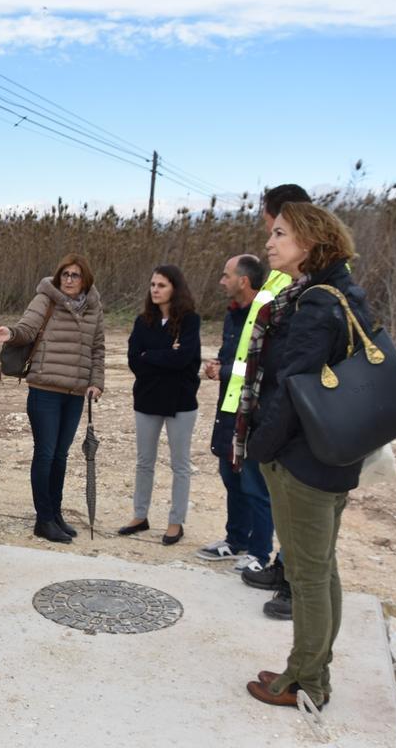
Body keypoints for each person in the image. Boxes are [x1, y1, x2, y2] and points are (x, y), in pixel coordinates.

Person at [237, 201, 371, 710]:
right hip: (333, 455)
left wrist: (264, 450)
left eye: (279, 234)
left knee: (308, 577)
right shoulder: (341, 292)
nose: (269, 244)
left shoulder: (316, 303)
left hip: (303, 461)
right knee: (322, 570)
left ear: (310, 243)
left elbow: (292, 387)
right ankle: (313, 670)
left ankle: (307, 683)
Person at [0, 254, 106, 543]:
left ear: (85, 279)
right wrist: (10, 333)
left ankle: (55, 514)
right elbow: (26, 329)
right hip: (45, 391)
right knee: (46, 453)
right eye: (64, 274)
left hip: (75, 393)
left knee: (61, 456)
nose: (68, 280)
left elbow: (98, 348)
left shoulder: (93, 307)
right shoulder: (46, 299)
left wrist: (96, 383)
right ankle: (44, 519)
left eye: (75, 275)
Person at [238, 184, 314, 621]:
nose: (268, 237)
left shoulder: (310, 287)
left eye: (275, 228)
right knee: (282, 500)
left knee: (297, 506)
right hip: (265, 404)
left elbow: (294, 364)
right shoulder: (284, 277)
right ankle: (282, 567)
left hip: (289, 416)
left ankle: (292, 585)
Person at [198, 255, 273, 573]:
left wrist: (225, 370)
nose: (221, 281)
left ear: (243, 280)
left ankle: (260, 552)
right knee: (231, 476)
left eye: (226, 275)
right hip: (229, 407)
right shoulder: (233, 315)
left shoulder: (268, 313)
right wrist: (218, 364)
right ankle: (236, 540)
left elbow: (264, 364)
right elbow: (234, 355)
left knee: (255, 483)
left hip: (255, 409)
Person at [119, 264, 201, 545]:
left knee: (180, 464)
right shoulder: (143, 322)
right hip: (147, 399)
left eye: (162, 285)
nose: (155, 290)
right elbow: (133, 360)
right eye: (153, 285)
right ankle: (140, 516)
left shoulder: (190, 321)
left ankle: (175, 522)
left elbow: (184, 360)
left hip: (180, 402)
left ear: (174, 289)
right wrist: (165, 354)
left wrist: (149, 355)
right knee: (144, 462)